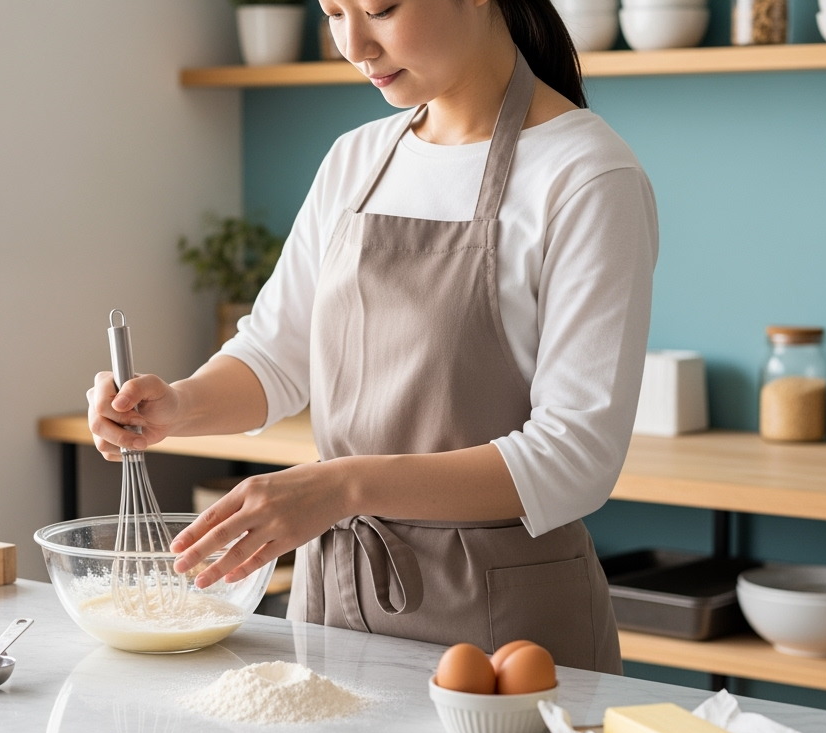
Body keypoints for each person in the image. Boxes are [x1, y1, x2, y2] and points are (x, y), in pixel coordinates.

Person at [86, 0, 657, 673]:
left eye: (382, 8)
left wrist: (343, 488)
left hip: (508, 632)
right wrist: (178, 405)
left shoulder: (587, 175)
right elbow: (276, 355)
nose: (354, 44)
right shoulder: (356, 160)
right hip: (335, 606)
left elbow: (575, 458)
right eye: (334, 12)